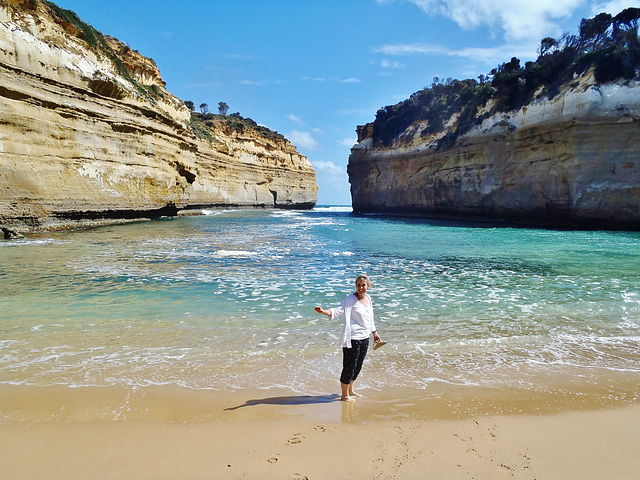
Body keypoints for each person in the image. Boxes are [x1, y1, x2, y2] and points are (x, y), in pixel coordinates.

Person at [315, 274, 384, 402]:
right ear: (356, 286)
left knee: (358, 366)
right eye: (358, 285)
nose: (361, 287)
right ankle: (344, 395)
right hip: (352, 338)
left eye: (363, 285)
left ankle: (351, 390)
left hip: (365, 337)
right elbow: (338, 310)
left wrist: (374, 333)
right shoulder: (351, 299)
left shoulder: (368, 298)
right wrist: (324, 311)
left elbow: (370, 318)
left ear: (368, 286)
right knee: (349, 366)